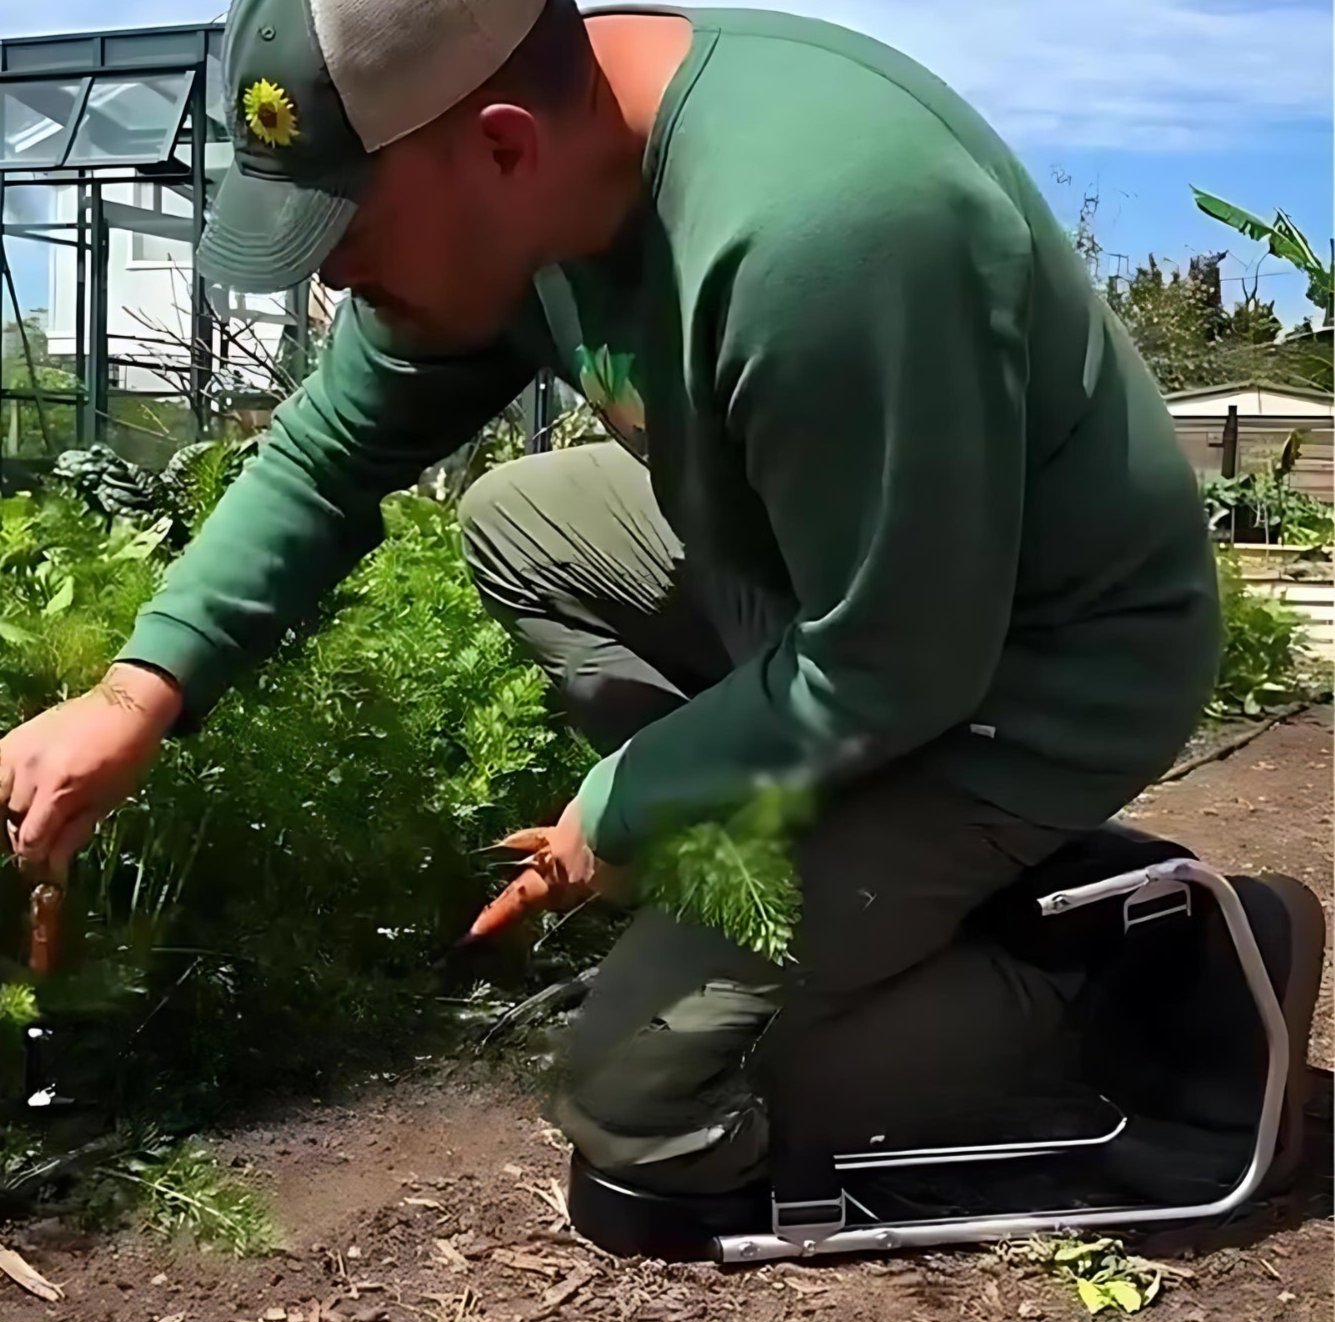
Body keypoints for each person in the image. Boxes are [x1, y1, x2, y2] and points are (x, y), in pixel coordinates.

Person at [0, 0, 1231, 1196]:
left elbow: (900, 660)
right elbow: (331, 452)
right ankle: (819, 890)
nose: (329, 274)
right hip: (838, 599)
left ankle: (1150, 976)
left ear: (502, 148)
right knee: (522, 525)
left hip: (1032, 672)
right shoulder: (527, 164)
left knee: (639, 1101)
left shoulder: (815, 229)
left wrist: (630, 798)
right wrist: (134, 693)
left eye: (346, 234)